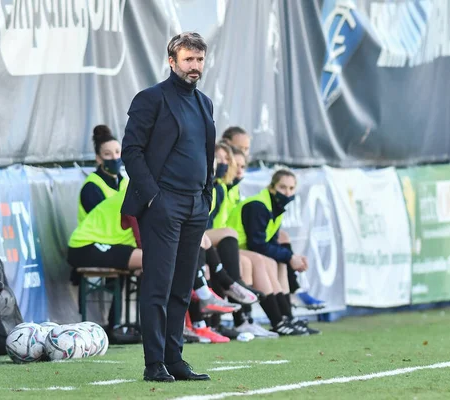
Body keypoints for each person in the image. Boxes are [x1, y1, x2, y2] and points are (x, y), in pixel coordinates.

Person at [121, 32, 214, 383]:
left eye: (199, 60)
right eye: (188, 59)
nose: (195, 66)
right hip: (164, 204)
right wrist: (155, 198)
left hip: (195, 205)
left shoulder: (204, 103)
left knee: (182, 287)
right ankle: (153, 363)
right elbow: (131, 150)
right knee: (157, 287)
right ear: (172, 61)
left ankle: (175, 359)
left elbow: (207, 153)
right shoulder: (151, 99)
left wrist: (207, 195)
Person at [226, 169, 320, 335]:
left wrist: (290, 257)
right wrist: (291, 257)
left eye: (291, 188)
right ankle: (277, 321)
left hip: (242, 249)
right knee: (264, 261)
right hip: (228, 248)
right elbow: (257, 245)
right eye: (282, 187)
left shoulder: (275, 207)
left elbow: (269, 243)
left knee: (279, 260)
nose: (287, 192)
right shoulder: (258, 205)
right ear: (272, 187)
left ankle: (287, 318)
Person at [78, 125, 128, 224]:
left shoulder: (125, 182)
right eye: (107, 154)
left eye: (117, 152)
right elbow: (105, 222)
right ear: (99, 158)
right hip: (95, 239)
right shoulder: (92, 187)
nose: (114, 157)